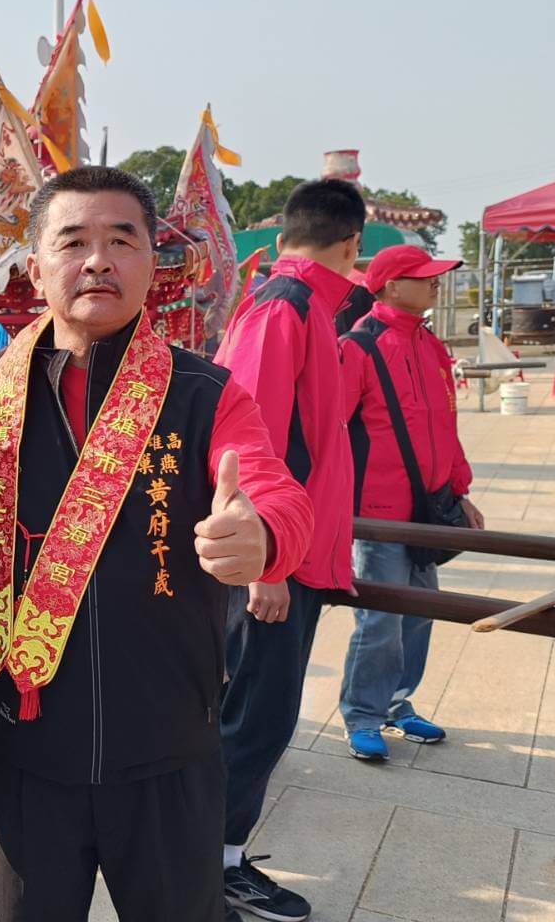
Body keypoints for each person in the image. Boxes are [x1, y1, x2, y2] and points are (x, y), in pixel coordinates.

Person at [0, 166, 312, 922]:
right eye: (72, 241)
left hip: (169, 750)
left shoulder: (205, 393)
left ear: (153, 262)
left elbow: (272, 491)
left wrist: (262, 535)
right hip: (24, 753)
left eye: (122, 240)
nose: (98, 261)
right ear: (37, 264)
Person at [211, 178, 365, 922]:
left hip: (294, 556)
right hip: (275, 562)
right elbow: (249, 441)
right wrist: (268, 563)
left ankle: (216, 858)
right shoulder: (285, 306)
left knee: (261, 718)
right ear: (351, 245)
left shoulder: (305, 306)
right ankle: (214, 866)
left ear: (278, 238)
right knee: (253, 719)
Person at [338, 245, 485, 762]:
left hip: (430, 507)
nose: (435, 284)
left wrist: (459, 491)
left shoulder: (430, 345)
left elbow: (446, 426)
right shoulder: (358, 348)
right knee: (380, 620)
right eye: (425, 278)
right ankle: (362, 713)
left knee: (421, 613)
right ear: (391, 286)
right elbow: (329, 430)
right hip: (378, 513)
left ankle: (397, 702)